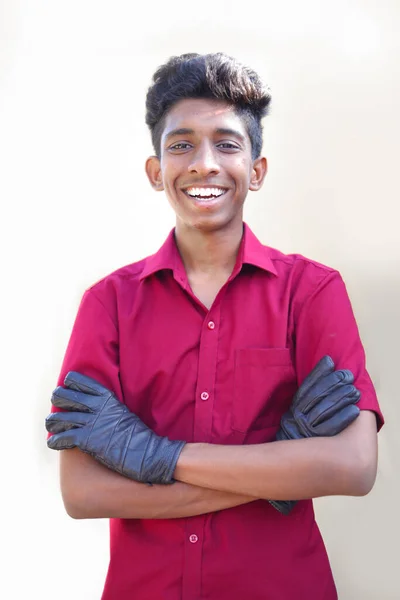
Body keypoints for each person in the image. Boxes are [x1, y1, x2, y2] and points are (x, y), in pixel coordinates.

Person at [46, 53, 384, 600]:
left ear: (256, 169)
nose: (204, 163)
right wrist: (283, 464)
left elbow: (352, 466)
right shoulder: (106, 304)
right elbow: (83, 491)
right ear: (157, 172)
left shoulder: (313, 292)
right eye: (181, 144)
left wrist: (157, 456)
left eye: (227, 143)